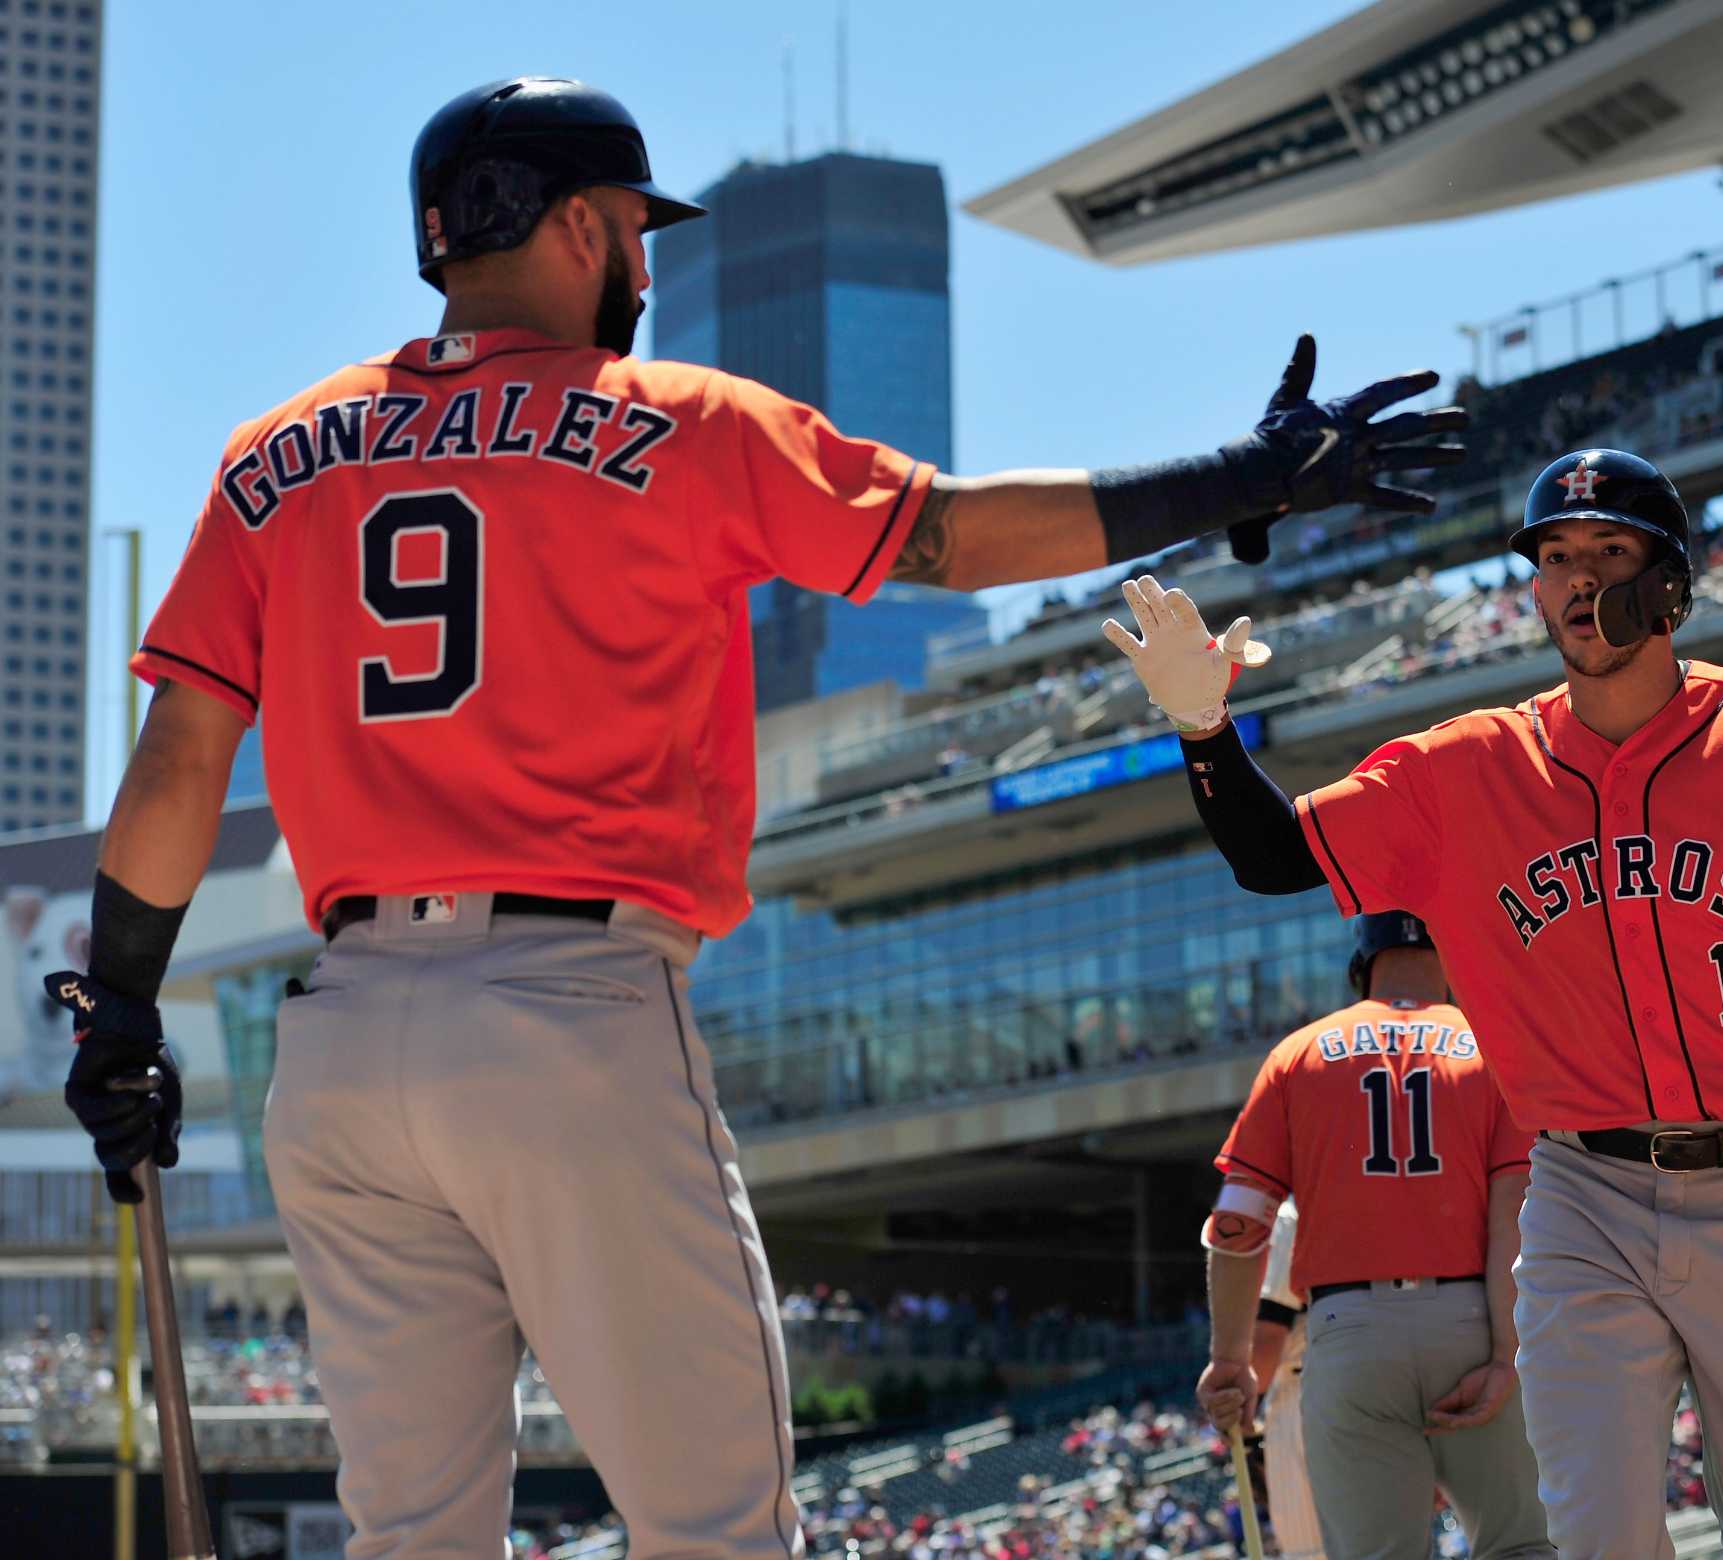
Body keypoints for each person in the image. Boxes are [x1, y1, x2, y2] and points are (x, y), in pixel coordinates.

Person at [44, 75, 1466, 1560]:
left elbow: (180, 761)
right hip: (569, 1008)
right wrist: (1243, 476)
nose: (646, 270)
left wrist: (122, 1003)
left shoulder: (276, 455)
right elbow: (955, 534)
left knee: (411, 1537)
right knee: (718, 1528)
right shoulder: (675, 420)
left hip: (341, 1045)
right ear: (579, 222)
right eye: (634, 235)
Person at [1106, 447, 1723, 1559]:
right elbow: (1274, 855)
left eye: (1607, 551)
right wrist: (1204, 734)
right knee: (1594, 1532)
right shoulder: (1468, 766)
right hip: (1580, 1193)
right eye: (1554, 557)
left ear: (1667, 579)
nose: (1576, 579)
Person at [1196, 912, 1550, 1559]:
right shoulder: (1494, 1044)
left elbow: (1238, 1221)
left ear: (1362, 965)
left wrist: (1229, 1357)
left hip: (1347, 1330)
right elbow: (1515, 1216)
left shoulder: (1297, 1054)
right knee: (1521, 1546)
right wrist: (1506, 1353)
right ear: (1455, 955)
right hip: (1472, 1321)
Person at [1241, 1196, 1324, 1560]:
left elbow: (1267, 1342)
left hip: (1306, 1394)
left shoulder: (1293, 1212)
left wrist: (1242, 1415)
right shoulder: (1376, 1198)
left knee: (1310, 1552)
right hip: (1385, 1379)